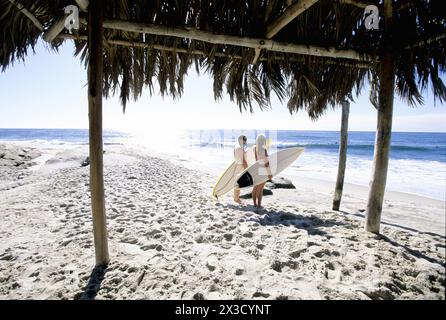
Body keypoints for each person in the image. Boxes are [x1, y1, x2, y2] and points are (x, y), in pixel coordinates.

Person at [252, 134, 272, 209]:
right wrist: (269, 173)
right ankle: (259, 205)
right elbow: (266, 163)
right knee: (260, 189)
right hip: (263, 170)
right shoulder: (264, 149)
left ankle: (254, 204)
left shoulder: (254, 148)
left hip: (256, 168)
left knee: (255, 187)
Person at [234, 135, 248, 203]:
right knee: (239, 184)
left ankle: (236, 198)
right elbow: (243, 161)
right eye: (244, 140)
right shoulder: (241, 149)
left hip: (237, 166)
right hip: (241, 167)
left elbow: (236, 159)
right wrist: (247, 169)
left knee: (237, 183)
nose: (245, 142)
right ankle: (237, 199)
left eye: (245, 141)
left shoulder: (235, 148)